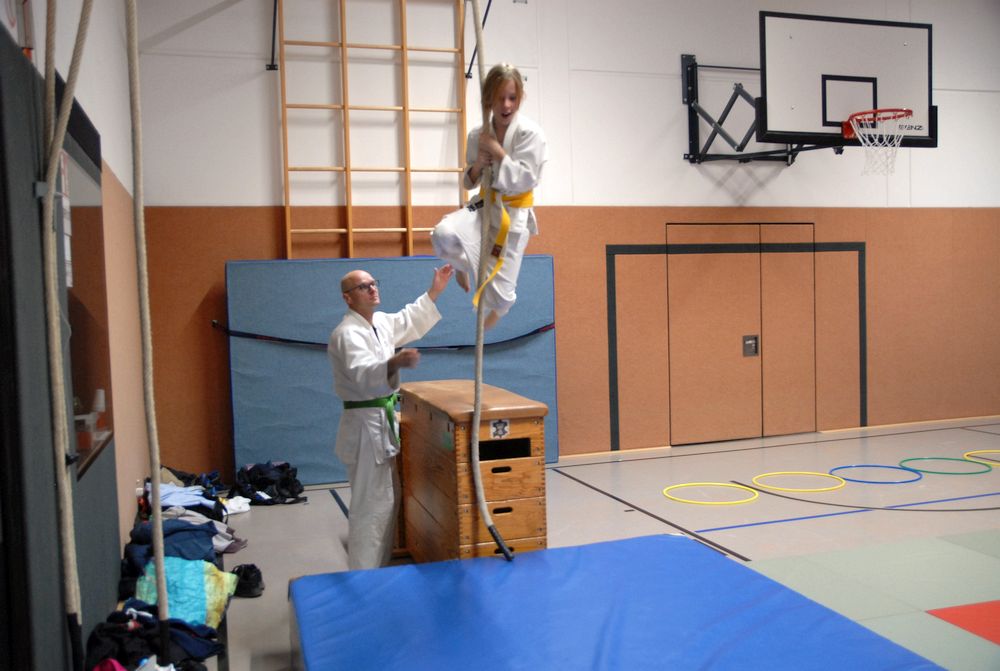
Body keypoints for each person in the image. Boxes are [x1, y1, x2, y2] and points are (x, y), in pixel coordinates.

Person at [327, 264, 454, 569]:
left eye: (374, 283)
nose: (372, 289)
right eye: (363, 286)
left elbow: (409, 319)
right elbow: (361, 374)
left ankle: (377, 569)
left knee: (386, 501)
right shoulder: (346, 333)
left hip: (379, 423)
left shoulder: (381, 323)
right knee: (370, 506)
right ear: (348, 298)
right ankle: (364, 573)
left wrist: (435, 289)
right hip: (364, 427)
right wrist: (395, 362)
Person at [431, 62, 548, 329]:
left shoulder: (530, 134)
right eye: (499, 98)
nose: (506, 105)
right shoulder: (478, 134)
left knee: (500, 297)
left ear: (520, 98)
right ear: (488, 100)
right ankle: (462, 266)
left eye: (512, 98)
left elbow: (526, 179)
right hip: (485, 204)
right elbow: (469, 181)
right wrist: (478, 165)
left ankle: (500, 311)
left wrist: (497, 151)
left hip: (514, 213)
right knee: (443, 235)